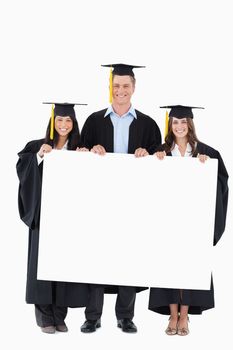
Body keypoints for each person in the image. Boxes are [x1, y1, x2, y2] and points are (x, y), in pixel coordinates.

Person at [80, 63, 162, 333]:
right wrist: (91, 149)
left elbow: (159, 164)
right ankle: (92, 316)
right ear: (110, 87)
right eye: (116, 85)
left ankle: (125, 316)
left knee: (129, 256)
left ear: (134, 87)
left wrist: (147, 156)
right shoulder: (93, 121)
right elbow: (80, 156)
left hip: (134, 204)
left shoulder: (148, 125)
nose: (121, 91)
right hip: (97, 202)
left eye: (126, 85)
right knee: (95, 256)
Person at [148, 105, 229, 336]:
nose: (179, 127)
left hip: (194, 224)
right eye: (175, 122)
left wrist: (207, 170)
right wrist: (155, 160)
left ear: (190, 125)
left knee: (190, 268)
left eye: (183, 123)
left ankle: (185, 316)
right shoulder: (161, 151)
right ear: (170, 125)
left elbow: (222, 184)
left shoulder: (206, 152)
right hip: (166, 223)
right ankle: (172, 316)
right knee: (167, 268)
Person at [16, 102, 89, 334]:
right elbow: (22, 167)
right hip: (44, 214)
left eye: (68, 120)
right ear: (52, 121)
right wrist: (38, 156)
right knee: (41, 265)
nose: (64, 124)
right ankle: (45, 316)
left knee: (64, 265)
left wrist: (86, 160)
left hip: (68, 219)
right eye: (59, 120)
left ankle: (60, 315)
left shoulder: (80, 148)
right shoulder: (38, 146)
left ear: (73, 123)